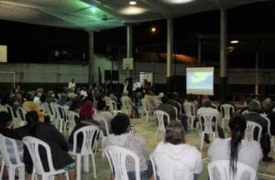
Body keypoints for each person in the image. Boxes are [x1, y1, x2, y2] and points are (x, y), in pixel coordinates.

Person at [25, 111, 76, 180]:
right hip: (50, 160)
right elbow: (60, 139)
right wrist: (66, 149)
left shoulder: (25, 129)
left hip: (37, 161)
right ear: (38, 118)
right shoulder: (47, 127)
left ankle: (61, 178)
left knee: (60, 158)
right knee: (72, 164)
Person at [208, 114, 263, 179]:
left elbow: (211, 158)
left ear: (228, 128)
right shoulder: (255, 147)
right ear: (245, 129)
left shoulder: (215, 143)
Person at [103, 113, 153, 180]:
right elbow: (146, 153)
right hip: (138, 174)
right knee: (155, 164)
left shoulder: (108, 140)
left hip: (119, 173)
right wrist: (133, 132)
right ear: (128, 127)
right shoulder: (135, 138)